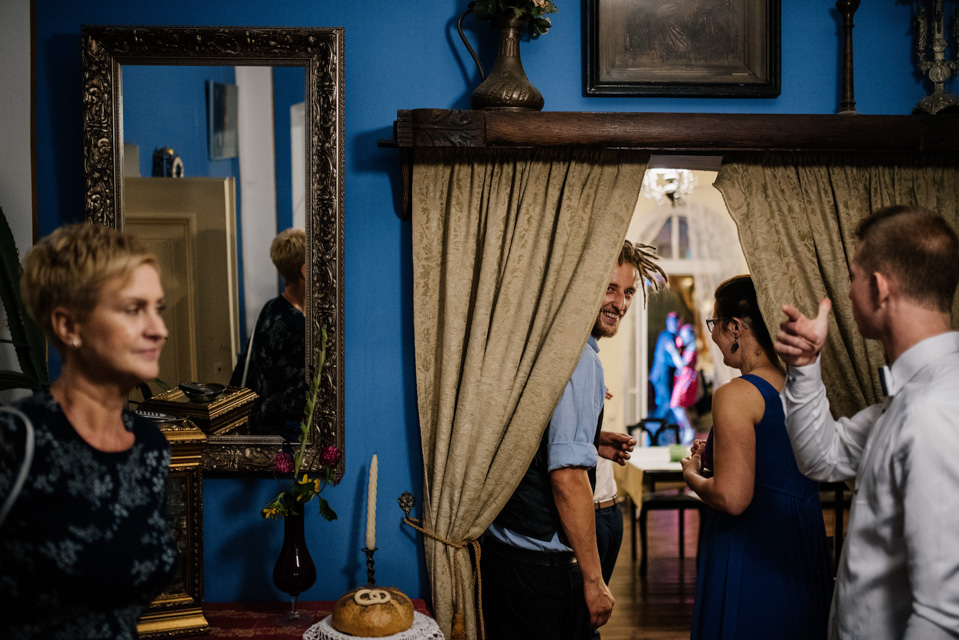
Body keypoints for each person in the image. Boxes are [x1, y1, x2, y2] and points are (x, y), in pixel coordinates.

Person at [774, 205, 959, 639]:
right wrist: (805, 366)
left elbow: (943, 617)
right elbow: (823, 457)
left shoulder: (935, 411)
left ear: (878, 288)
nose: (849, 291)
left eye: (853, 276)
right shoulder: (908, 399)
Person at [0, 223, 178, 639]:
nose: (159, 329)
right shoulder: (16, 440)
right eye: (133, 309)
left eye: (158, 308)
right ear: (68, 327)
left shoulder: (149, 445)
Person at [482, 240, 665, 640]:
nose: (620, 303)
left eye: (628, 291)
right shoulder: (580, 359)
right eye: (610, 288)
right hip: (538, 572)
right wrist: (594, 580)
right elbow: (567, 478)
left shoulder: (545, 346)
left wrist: (591, 442)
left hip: (506, 553)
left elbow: (526, 433)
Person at [682, 275, 833, 640]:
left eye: (715, 325)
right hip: (802, 539)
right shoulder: (800, 386)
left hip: (753, 547)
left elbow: (733, 498)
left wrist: (692, 476)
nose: (714, 337)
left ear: (735, 327)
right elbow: (777, 461)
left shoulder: (735, 394)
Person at [230, 228, 307, 438]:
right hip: (284, 437)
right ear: (305, 271)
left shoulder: (270, 308)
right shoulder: (299, 328)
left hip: (259, 427)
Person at [649, 312, 684, 422]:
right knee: (666, 403)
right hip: (661, 376)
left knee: (666, 403)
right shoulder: (668, 336)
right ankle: (654, 427)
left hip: (661, 375)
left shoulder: (666, 335)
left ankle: (660, 426)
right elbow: (668, 359)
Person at [669, 323, 698, 444]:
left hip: (686, 380)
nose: (683, 337)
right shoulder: (688, 347)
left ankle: (688, 429)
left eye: (685, 335)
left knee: (677, 404)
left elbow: (682, 364)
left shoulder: (692, 348)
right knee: (678, 405)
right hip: (684, 379)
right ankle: (685, 429)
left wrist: (673, 352)